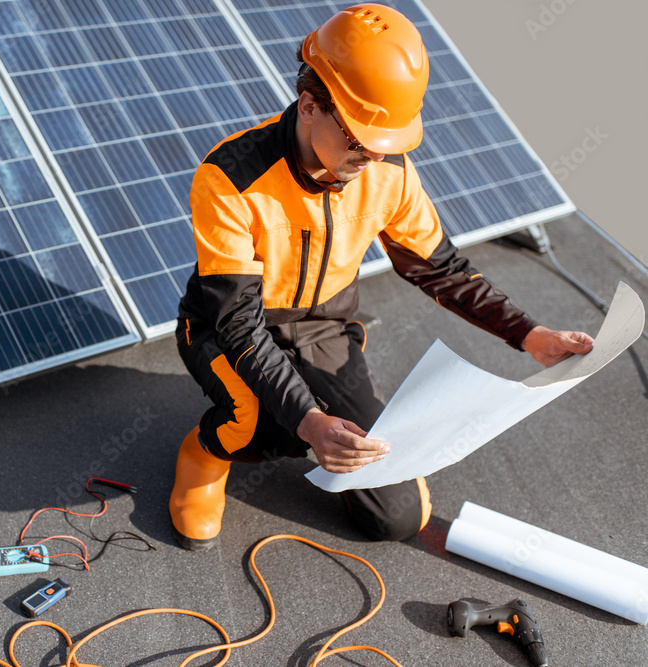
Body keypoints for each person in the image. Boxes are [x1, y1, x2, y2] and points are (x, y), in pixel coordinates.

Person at [169, 3, 593, 551]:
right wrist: (309, 422)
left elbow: (440, 267)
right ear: (309, 106)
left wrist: (528, 334)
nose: (371, 156)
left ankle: (312, 430)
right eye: (358, 140)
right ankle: (206, 450)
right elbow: (240, 326)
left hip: (324, 327)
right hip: (226, 329)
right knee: (258, 419)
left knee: (398, 517)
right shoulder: (229, 179)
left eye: (383, 143)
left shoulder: (387, 172)